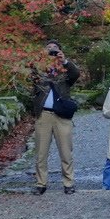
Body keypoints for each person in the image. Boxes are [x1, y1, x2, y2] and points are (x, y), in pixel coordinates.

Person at [30, 40, 81, 195]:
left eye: (54, 49)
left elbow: (75, 74)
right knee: (41, 153)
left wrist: (63, 61)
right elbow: (30, 77)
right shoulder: (39, 69)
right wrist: (41, 61)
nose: (51, 51)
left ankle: (68, 183)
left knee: (66, 151)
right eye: (48, 49)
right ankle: (41, 183)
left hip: (61, 115)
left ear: (60, 51)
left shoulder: (65, 70)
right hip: (43, 114)